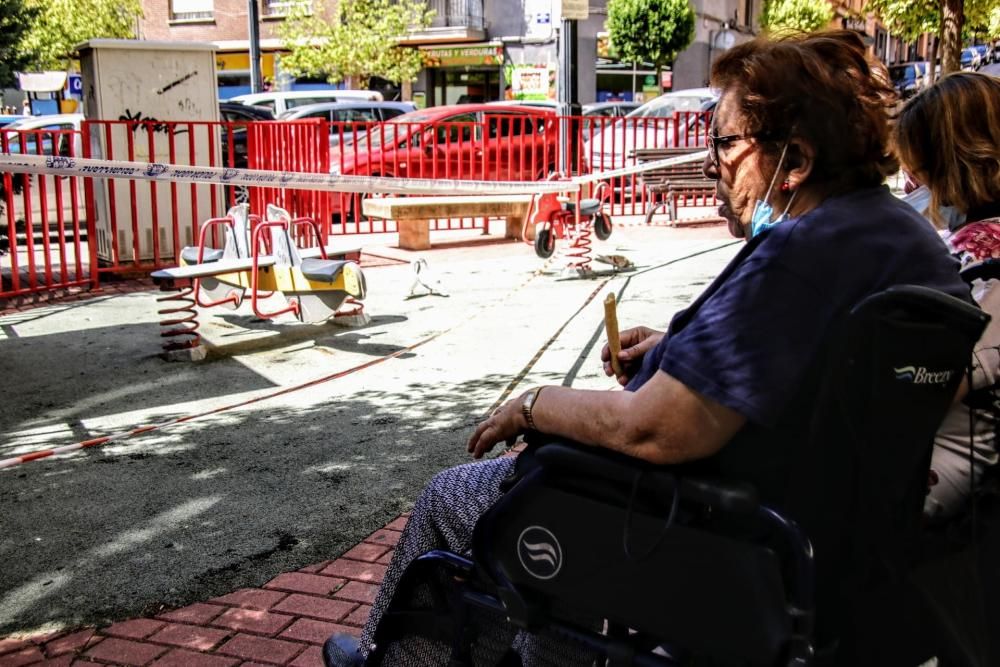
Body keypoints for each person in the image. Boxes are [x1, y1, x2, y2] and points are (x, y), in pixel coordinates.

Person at [326, 31, 971, 666]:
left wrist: (532, 405)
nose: (712, 158)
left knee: (460, 500)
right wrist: (676, 347)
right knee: (553, 513)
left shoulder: (801, 253)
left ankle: (399, 660)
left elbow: (656, 431)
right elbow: (810, 363)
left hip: (715, 531)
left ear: (795, 161)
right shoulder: (901, 237)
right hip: (828, 542)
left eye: (725, 141)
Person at [893, 71, 1000, 521]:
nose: (912, 182)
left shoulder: (979, 254)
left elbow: (916, 384)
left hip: (941, 471)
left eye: (919, 168)